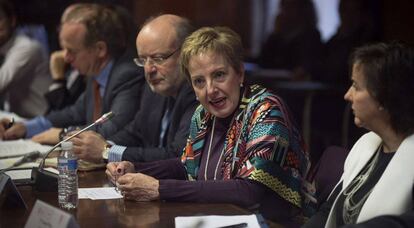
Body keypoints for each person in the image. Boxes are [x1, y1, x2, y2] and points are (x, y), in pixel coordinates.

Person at [106, 26, 313, 226]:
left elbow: (249, 191)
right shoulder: (203, 114)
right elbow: (186, 166)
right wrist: (135, 169)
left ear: (239, 74)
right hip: (215, 220)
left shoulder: (267, 111)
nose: (210, 90)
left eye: (219, 75)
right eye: (199, 81)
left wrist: (159, 188)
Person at [303, 42, 414, 228]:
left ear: (383, 97)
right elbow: (329, 210)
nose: (348, 95)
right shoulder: (366, 144)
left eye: (356, 86)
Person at [0, 3, 144, 143]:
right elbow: (74, 113)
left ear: (100, 49)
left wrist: (63, 135)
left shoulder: (127, 75)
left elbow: (110, 130)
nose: (66, 58)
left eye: (72, 51)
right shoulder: (96, 72)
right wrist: (26, 127)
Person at [69, 14, 198, 164]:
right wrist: (100, 147)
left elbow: (177, 156)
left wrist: (107, 152)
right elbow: (136, 132)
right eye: (143, 60)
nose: (149, 69)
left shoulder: (197, 93)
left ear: (187, 53)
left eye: (158, 58)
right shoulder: (154, 89)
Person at [0, 0, 51, 118]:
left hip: (41, 119)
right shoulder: (3, 49)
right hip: (15, 118)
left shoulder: (27, 47)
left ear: (12, 20)